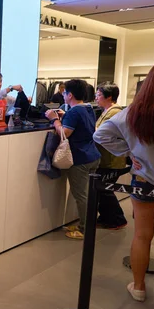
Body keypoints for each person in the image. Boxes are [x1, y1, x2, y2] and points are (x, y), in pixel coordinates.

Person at [94, 60, 154, 308]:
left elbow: (100, 135)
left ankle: (139, 287)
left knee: (142, 236)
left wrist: (130, 153)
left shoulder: (135, 111)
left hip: (143, 181)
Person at [45, 79, 101, 240]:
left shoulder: (74, 112)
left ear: (70, 95)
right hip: (92, 155)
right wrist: (64, 116)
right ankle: (87, 223)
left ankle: (84, 229)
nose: (63, 95)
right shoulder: (88, 108)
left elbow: (65, 133)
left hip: (80, 158)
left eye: (64, 93)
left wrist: (54, 119)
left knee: (80, 195)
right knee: (88, 194)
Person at [94, 83, 127, 230]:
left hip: (112, 160)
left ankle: (117, 219)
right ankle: (108, 218)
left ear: (109, 97)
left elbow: (100, 132)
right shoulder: (107, 111)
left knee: (105, 190)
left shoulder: (114, 113)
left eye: (99, 95)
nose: (96, 98)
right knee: (103, 190)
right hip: (107, 158)